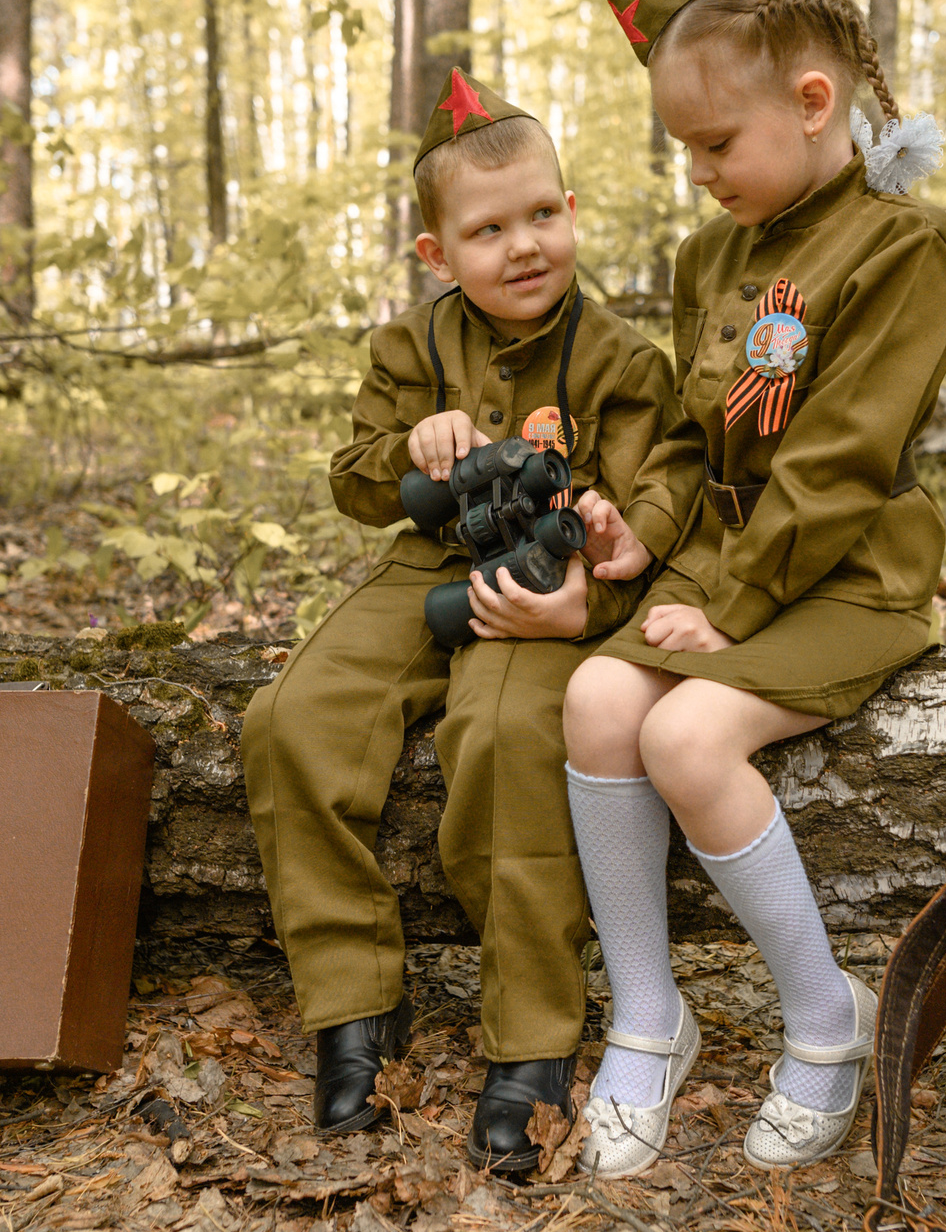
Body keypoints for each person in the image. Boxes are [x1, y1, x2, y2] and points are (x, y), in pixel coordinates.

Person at [565, 0, 946, 1177]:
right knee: (591, 699)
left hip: (842, 574)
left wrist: (727, 607)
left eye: (714, 142)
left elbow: (842, 458)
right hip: (725, 567)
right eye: (685, 150)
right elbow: (691, 441)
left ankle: (824, 1016)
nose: (700, 172)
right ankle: (648, 1014)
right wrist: (647, 536)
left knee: (684, 733)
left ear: (809, 98)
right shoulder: (708, 257)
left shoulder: (903, 247)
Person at [243, 70, 687, 1175]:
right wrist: (412, 449)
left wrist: (592, 583)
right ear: (437, 254)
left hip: (545, 595)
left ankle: (530, 1046)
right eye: (487, 231)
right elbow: (350, 483)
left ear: (573, 212)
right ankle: (354, 1007)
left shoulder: (623, 360)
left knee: (505, 745)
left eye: (542, 215)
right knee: (293, 720)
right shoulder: (412, 348)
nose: (523, 246)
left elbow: (651, 518)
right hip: (425, 568)